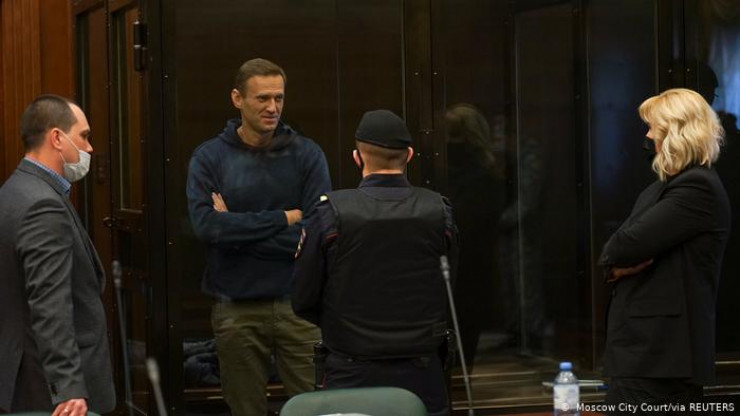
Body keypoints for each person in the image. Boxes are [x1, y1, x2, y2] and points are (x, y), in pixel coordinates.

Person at [186, 58, 331, 416]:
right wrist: (283, 218)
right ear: (237, 99)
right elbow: (207, 227)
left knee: (313, 408)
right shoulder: (210, 157)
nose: (272, 107)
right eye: (262, 98)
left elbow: (316, 234)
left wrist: (234, 227)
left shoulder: (307, 154)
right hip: (237, 306)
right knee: (244, 409)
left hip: (298, 304)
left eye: (279, 98)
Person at [292, 109, 459, 416]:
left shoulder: (330, 214)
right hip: (423, 373)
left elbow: (303, 299)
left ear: (357, 158)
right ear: (410, 155)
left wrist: (346, 328)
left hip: (351, 371)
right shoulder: (439, 211)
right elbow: (449, 290)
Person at [599, 88, 730, 410]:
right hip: (650, 355)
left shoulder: (696, 186)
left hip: (660, 357)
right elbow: (620, 249)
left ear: (677, 131)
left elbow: (623, 245)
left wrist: (615, 261)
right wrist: (614, 264)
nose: (647, 135)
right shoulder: (667, 186)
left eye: (652, 127)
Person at [0, 95, 116, 415]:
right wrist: (68, 388)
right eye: (84, 136)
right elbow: (50, 303)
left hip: (24, 379)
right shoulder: (43, 205)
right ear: (57, 138)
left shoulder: (13, 190)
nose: (89, 147)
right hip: (51, 392)